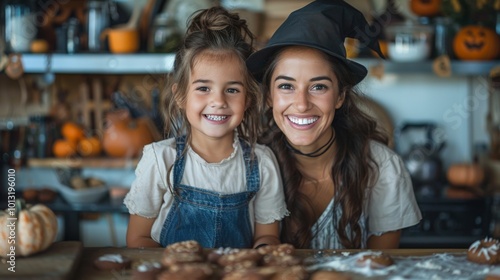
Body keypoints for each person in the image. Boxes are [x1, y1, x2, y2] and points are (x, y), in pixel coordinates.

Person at [246, 0, 422, 249]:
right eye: (286, 86)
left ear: (340, 96)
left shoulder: (382, 167)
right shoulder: (250, 166)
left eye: (318, 87)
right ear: (269, 97)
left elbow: (379, 268)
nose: (302, 104)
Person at [124, 6, 289, 249]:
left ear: (249, 99)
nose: (219, 101)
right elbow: (138, 240)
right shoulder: (161, 160)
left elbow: (267, 237)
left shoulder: (261, 163)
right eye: (203, 88)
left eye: (232, 90)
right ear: (180, 95)